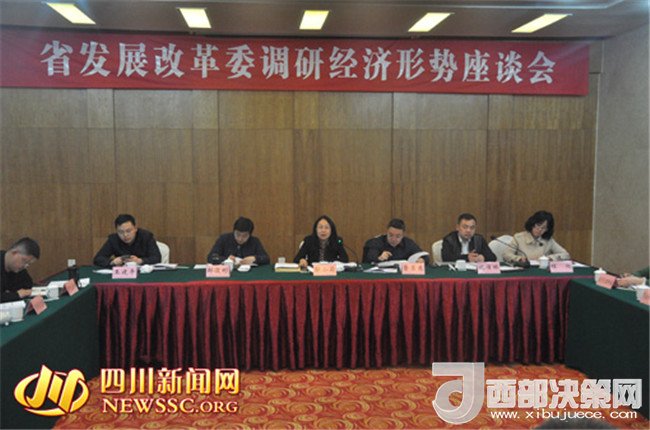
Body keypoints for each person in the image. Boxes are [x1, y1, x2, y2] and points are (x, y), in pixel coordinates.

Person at [503, 210, 570, 265]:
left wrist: (551, 258)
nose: (539, 229)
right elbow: (506, 254)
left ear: (547, 229)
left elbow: (566, 254)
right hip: (524, 270)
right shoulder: (519, 238)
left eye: (543, 228)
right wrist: (519, 259)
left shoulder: (548, 240)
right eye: (538, 225)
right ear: (532, 223)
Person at [93, 214, 161, 267]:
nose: (125, 235)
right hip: (123, 274)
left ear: (135, 228)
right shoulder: (113, 240)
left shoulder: (146, 237)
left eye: (128, 231)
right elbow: (98, 259)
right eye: (121, 232)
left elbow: (156, 258)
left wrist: (140, 261)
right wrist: (112, 262)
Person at [363, 218, 429, 264]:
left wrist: (422, 260)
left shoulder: (408, 243)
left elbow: (424, 256)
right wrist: (379, 258)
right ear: (387, 232)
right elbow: (369, 258)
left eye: (398, 236)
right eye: (391, 235)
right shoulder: (377, 242)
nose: (394, 239)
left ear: (402, 235)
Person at [1, 237, 40, 303]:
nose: (25, 266)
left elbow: (28, 285)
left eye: (28, 264)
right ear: (14, 253)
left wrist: (8, 294)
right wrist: (16, 295)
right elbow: (21, 293)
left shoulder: (18, 268)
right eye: (25, 261)